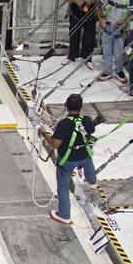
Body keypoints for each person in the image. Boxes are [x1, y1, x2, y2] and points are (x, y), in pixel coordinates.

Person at [42, 92, 97, 225]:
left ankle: (64, 215)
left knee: (63, 187)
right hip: (84, 156)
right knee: (88, 161)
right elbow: (91, 131)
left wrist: (43, 133)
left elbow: (55, 144)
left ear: (66, 105)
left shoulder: (64, 124)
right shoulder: (86, 120)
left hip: (68, 161)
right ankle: (92, 182)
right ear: (81, 107)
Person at [62, 0, 101, 64]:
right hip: (76, 14)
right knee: (74, 35)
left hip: (90, 15)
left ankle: (87, 58)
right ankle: (72, 56)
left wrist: (93, 1)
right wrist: (76, 0)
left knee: (90, 36)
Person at [97, 0, 132, 81]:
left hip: (120, 29)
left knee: (118, 52)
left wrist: (124, 20)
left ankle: (119, 71)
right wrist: (101, 20)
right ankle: (107, 71)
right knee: (106, 51)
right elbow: (98, 6)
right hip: (107, 26)